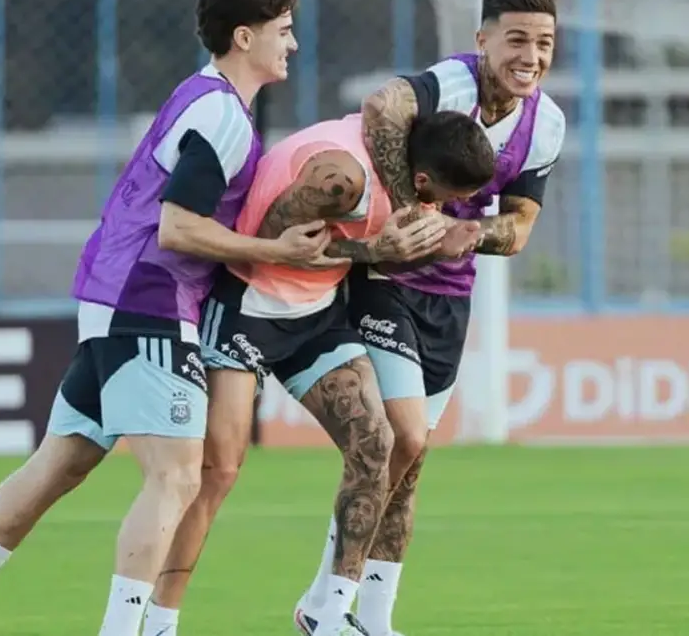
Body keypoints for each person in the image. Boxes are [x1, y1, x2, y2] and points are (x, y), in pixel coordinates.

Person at [0, 0, 316, 635]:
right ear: (245, 36)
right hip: (149, 302)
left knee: (60, 461)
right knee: (177, 479)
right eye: (284, 31)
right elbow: (178, 225)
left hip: (112, 296)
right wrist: (279, 252)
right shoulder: (221, 115)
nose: (292, 44)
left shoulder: (201, 97)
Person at [139, 110, 498, 636]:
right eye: (442, 196)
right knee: (217, 475)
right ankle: (159, 623)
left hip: (315, 317)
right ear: (422, 180)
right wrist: (375, 251)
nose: (440, 208)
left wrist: (419, 248)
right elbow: (272, 242)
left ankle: (327, 613)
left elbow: (354, 249)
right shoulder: (342, 177)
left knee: (378, 444)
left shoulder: (396, 165)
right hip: (247, 310)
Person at [293, 0, 568, 636]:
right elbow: (380, 109)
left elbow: (520, 228)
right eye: (517, 40)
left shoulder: (546, 124)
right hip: (386, 282)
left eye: (545, 43)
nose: (531, 55)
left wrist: (474, 232)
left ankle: (374, 617)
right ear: (482, 40)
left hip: (452, 299)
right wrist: (408, 210)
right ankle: (328, 611)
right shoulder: (450, 85)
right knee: (402, 438)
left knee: (411, 464)